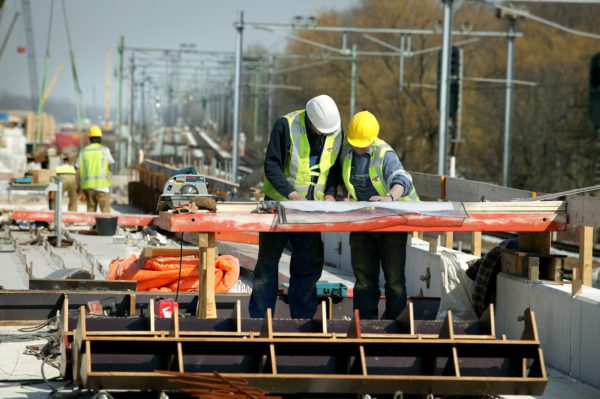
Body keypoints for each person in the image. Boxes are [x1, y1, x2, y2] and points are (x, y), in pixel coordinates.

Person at [249, 94, 343, 319]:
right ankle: (261, 320)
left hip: (310, 211)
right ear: (310, 121)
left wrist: (330, 194)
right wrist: (291, 194)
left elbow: (334, 170)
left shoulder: (335, 132)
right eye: (321, 131)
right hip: (278, 208)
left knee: (308, 266)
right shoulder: (286, 126)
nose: (325, 135)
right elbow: (271, 166)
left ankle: (303, 320)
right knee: (267, 267)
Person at [342, 111, 419, 320]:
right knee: (364, 278)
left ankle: (395, 323)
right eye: (355, 143)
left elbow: (402, 178)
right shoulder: (347, 152)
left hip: (391, 223)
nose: (359, 148)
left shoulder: (385, 154)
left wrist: (390, 197)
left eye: (362, 144)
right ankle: (365, 322)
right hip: (363, 222)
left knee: (394, 279)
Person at [76, 126, 114, 213]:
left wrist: (78, 186)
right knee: (105, 210)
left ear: (90, 139)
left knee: (91, 209)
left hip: (88, 186)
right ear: (100, 138)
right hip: (103, 186)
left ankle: (92, 225)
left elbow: (77, 168)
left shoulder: (83, 151)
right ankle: (105, 226)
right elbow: (110, 164)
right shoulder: (105, 150)